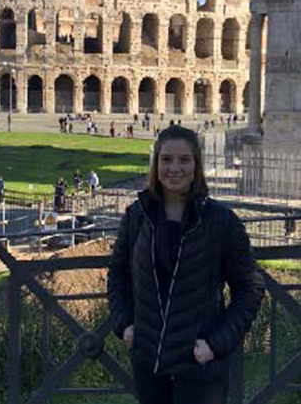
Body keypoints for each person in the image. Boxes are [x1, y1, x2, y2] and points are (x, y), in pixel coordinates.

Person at [107, 126, 265, 404]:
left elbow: (249, 288)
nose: (174, 168)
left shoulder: (221, 221)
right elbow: (118, 275)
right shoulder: (137, 216)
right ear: (155, 165)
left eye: (184, 159)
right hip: (150, 364)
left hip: (200, 366)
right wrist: (124, 325)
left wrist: (216, 344)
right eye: (166, 159)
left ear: (196, 166)